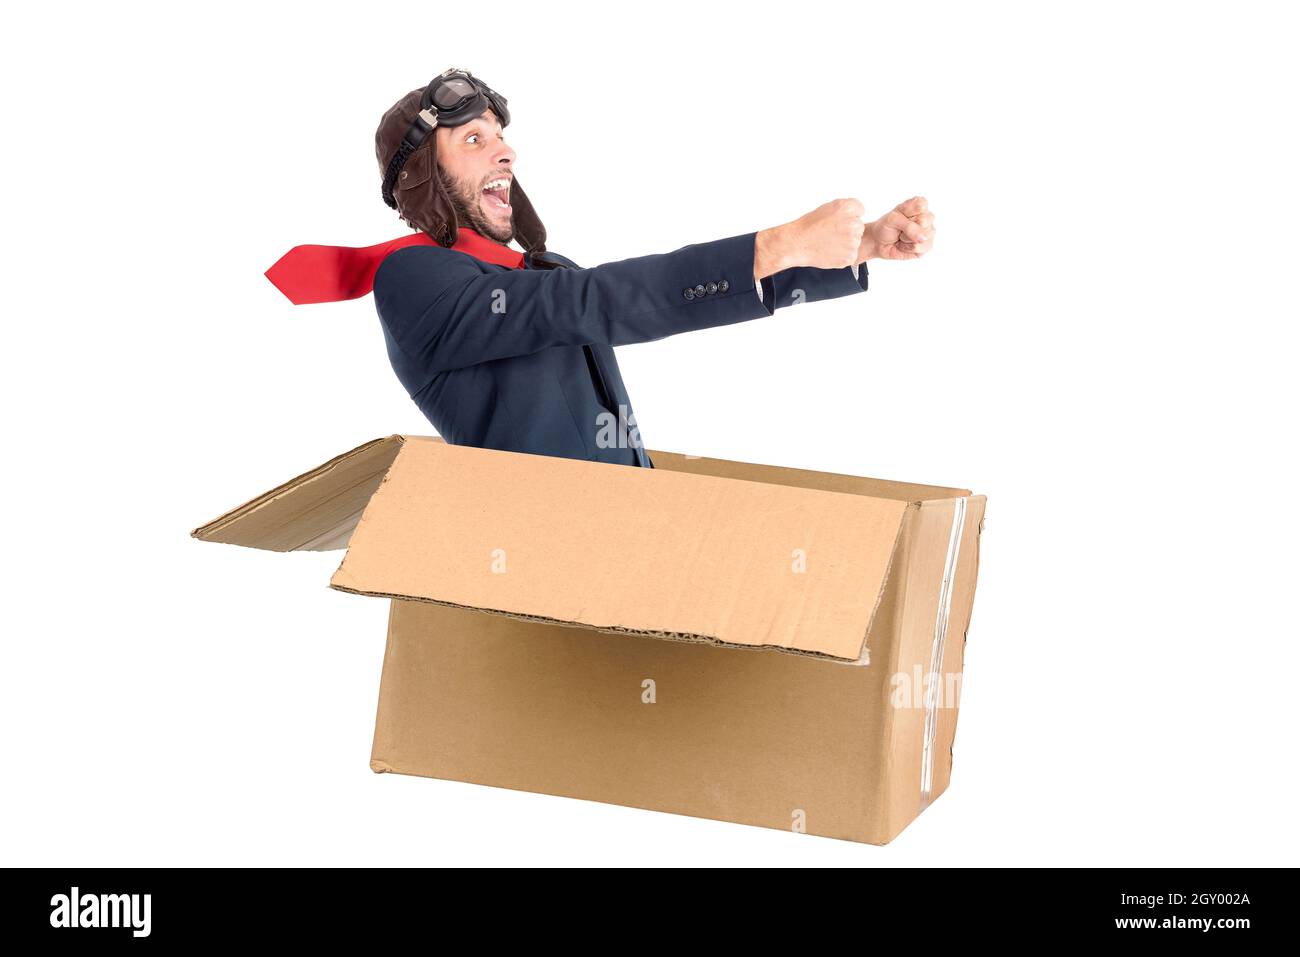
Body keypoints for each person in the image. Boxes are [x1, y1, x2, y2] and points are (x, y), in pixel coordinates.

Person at [267, 68, 935, 467]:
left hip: (626, 540)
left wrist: (858, 248)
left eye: (501, 137)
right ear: (422, 176)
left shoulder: (543, 270)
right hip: (534, 566)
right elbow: (606, 300)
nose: (505, 154)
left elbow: (663, 302)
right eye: (474, 139)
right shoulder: (411, 278)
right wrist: (777, 241)